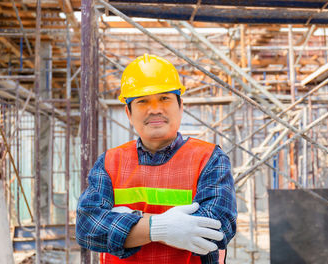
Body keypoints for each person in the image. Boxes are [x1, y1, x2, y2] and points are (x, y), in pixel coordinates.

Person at [76, 54, 237, 264]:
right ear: (128, 112)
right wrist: (161, 228)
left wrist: (129, 221)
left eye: (164, 98)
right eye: (143, 101)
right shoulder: (110, 162)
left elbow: (217, 228)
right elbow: (87, 227)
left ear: (180, 106)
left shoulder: (209, 159)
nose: (155, 109)